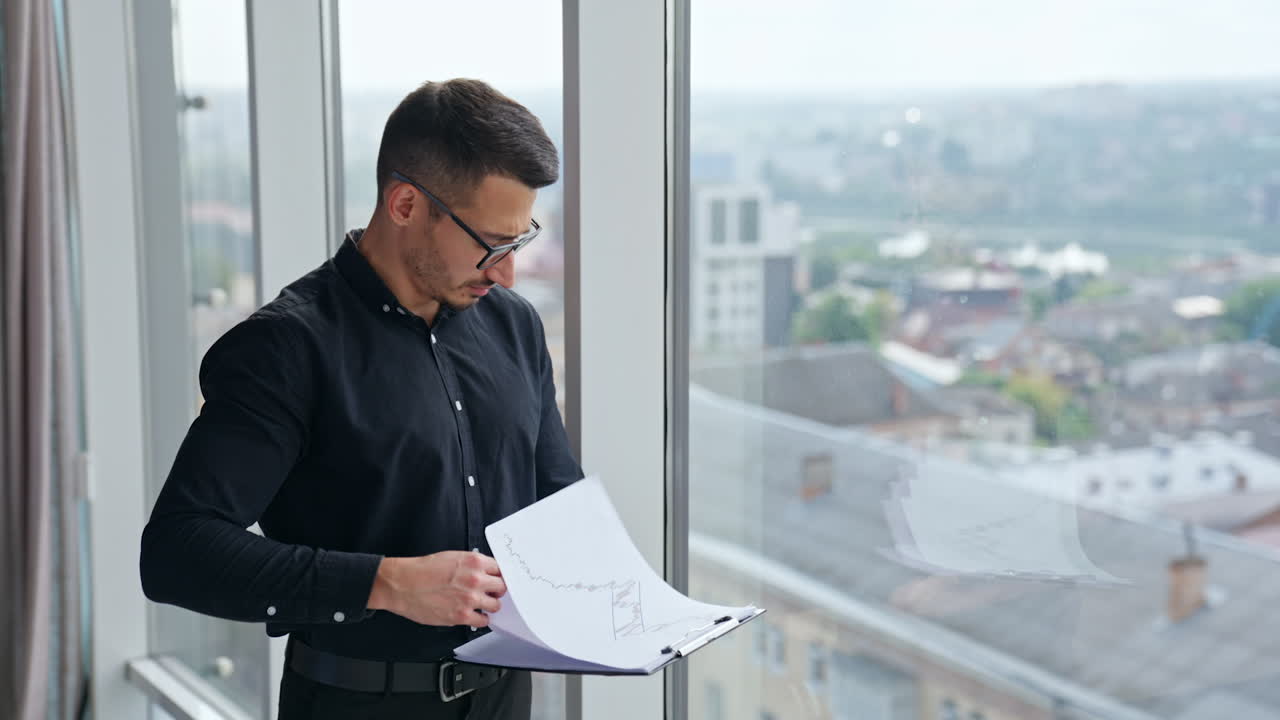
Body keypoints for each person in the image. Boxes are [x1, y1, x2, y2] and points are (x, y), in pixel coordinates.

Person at [139, 78, 583, 720]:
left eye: (519, 241)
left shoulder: (516, 325)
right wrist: (386, 583)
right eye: (491, 244)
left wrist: (637, 610)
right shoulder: (283, 349)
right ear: (405, 204)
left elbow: (556, 504)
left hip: (506, 700)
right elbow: (177, 552)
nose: (507, 272)